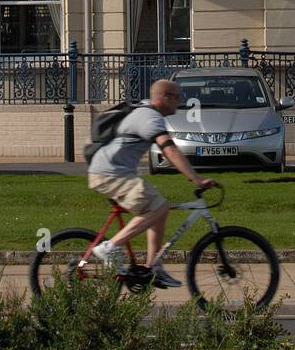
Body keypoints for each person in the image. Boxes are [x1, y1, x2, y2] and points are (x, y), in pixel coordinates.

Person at [88, 79, 215, 288]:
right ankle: (110, 247)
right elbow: (170, 150)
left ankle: (153, 267)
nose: (179, 102)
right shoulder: (149, 117)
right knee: (160, 207)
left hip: (115, 172)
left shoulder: (147, 112)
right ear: (164, 97)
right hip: (110, 173)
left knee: (158, 208)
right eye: (176, 97)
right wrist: (196, 179)